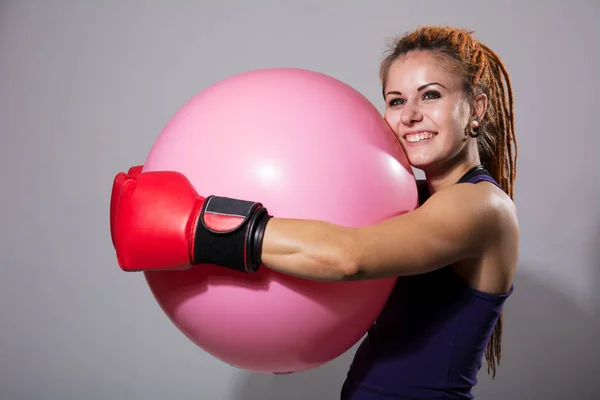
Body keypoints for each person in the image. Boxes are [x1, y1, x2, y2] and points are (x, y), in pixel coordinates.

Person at [110, 25, 519, 399]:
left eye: (430, 94)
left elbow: (347, 256)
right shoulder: (412, 202)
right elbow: (316, 227)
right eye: (396, 100)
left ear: (477, 108)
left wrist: (198, 223)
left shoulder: (482, 206)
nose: (410, 115)